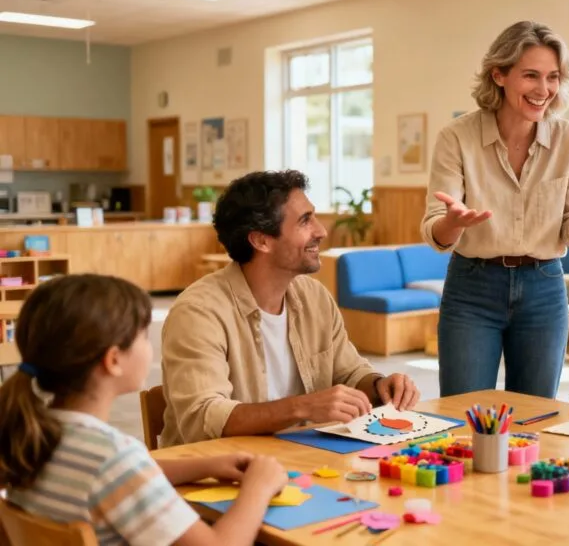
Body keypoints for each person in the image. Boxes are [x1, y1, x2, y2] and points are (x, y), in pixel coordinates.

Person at [420, 20, 569, 398]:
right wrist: (453, 223)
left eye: (553, 77)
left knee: (535, 413)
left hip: (543, 288)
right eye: (531, 75)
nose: (544, 90)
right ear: (499, 74)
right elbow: (435, 231)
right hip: (472, 286)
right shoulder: (457, 137)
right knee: (463, 411)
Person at [0, 274, 288, 546]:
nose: (150, 346)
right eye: (143, 336)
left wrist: (204, 465)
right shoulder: (113, 457)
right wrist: (257, 489)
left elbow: (121, 476)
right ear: (113, 360)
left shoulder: (34, 434)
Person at [161, 170, 419, 447]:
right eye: (305, 221)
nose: (321, 231)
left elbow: (349, 373)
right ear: (261, 240)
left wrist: (380, 385)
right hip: (216, 476)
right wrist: (302, 407)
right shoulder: (198, 313)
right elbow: (203, 418)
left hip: (303, 462)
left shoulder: (314, 297)